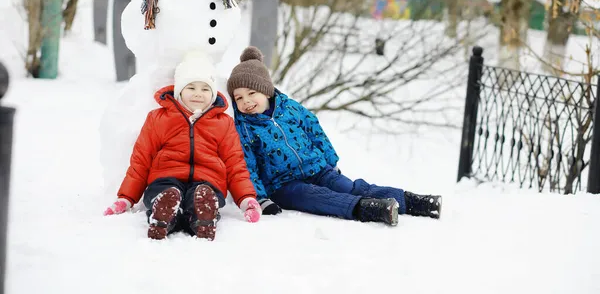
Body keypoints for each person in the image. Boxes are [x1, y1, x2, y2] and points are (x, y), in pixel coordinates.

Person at [227, 46, 442, 226]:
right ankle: (368, 209)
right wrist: (261, 198)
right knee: (314, 196)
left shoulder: (289, 108)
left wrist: (330, 161)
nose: (246, 102)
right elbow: (247, 165)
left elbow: (314, 129)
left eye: (251, 93)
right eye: (239, 98)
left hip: (318, 169)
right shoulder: (244, 128)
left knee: (349, 187)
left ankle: (410, 201)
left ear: (266, 90)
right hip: (284, 185)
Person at [104, 51, 261, 240]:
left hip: (208, 181)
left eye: (205, 89)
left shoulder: (223, 123)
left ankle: (203, 216)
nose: (198, 94)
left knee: (202, 196)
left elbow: (235, 164)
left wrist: (246, 199)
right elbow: (141, 160)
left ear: (212, 93)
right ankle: (163, 215)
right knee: (167, 192)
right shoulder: (159, 118)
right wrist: (126, 198)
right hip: (165, 177)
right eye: (191, 87)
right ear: (179, 90)